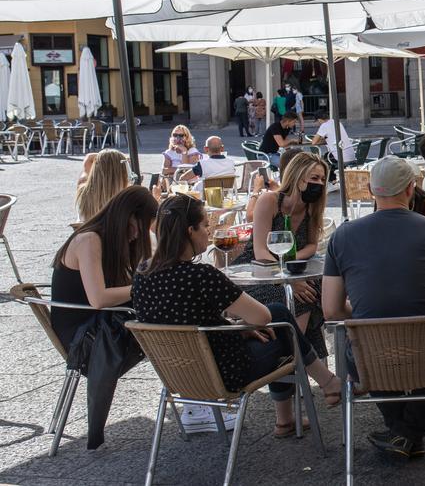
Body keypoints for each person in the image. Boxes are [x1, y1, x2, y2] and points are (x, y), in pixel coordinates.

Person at [134, 195, 341, 439]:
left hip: (177, 373)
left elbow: (178, 319)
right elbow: (262, 316)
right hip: (225, 371)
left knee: (277, 324)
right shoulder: (201, 275)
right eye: (204, 226)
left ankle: (297, 410)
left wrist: (237, 327)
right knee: (280, 321)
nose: (208, 231)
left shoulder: (142, 273)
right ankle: (324, 386)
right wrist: (240, 325)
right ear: (190, 231)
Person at [321, 157, 425, 458]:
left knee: (366, 343)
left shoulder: (342, 235)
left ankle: (401, 432)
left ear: (369, 190)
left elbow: (331, 311)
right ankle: (408, 433)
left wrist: (372, 316)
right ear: (411, 189)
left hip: (369, 356)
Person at [51, 186, 157, 449]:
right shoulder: (89, 240)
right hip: (82, 336)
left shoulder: (106, 240)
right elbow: (98, 299)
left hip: (97, 326)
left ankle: (193, 396)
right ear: (128, 216)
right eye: (140, 227)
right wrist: (144, 287)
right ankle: (196, 399)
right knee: (164, 325)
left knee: (164, 316)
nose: (137, 236)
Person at [231, 152, 329, 356]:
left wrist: (292, 264)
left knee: (315, 289)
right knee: (301, 296)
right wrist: (287, 279)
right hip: (257, 273)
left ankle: (295, 357)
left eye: (322, 179)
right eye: (314, 178)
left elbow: (312, 245)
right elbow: (260, 251)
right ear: (297, 177)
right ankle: (293, 356)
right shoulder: (270, 200)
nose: (319, 184)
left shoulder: (312, 207)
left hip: (291, 270)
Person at [76, 149, 131, 222]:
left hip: (89, 232)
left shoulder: (84, 191)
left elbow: (89, 157)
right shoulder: (128, 195)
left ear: (96, 168)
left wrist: (103, 158)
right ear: (123, 171)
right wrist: (120, 159)